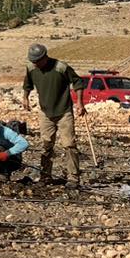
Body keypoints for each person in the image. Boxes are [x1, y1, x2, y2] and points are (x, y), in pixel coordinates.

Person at [21, 44, 86, 185]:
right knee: (46, 145)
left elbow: (78, 82)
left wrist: (80, 103)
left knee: (69, 145)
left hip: (64, 112)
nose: (35, 64)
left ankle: (73, 177)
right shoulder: (32, 68)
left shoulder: (61, 67)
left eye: (37, 61)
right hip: (45, 112)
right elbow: (27, 85)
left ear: (45, 57)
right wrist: (25, 98)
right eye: (33, 61)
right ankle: (45, 176)